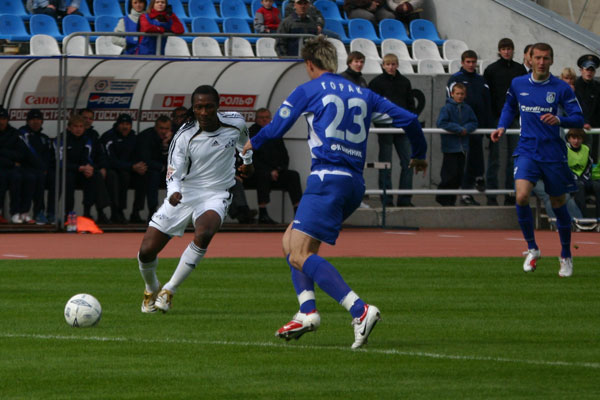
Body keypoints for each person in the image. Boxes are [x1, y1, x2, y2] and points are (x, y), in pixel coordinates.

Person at [242, 36, 428, 349]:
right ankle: (307, 312)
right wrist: (419, 154)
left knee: (299, 254)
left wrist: (250, 145)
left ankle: (360, 310)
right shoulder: (364, 93)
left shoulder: (309, 89)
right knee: (290, 242)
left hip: (327, 179)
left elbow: (275, 127)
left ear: (309, 64)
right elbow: (410, 119)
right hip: (353, 183)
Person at [136, 85, 254, 313]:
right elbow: (173, 172)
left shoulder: (235, 122)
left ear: (217, 106)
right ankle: (151, 288)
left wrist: (247, 163)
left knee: (204, 233)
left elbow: (244, 143)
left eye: (209, 106)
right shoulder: (184, 136)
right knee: (146, 251)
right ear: (193, 108)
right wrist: (173, 193)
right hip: (185, 193)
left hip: (217, 192)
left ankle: (169, 290)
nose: (204, 112)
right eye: (199, 107)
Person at [491, 42, 584, 278]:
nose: (542, 62)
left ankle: (565, 255)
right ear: (529, 59)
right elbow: (509, 107)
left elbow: (578, 117)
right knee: (521, 195)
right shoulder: (518, 83)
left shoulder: (561, 88)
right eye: (538, 58)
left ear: (552, 60)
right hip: (527, 149)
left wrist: (560, 120)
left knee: (558, 203)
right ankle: (533, 249)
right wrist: (501, 126)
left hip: (553, 153)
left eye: (546, 58)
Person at [369, 53, 417, 207]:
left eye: (393, 64)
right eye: (388, 64)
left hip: (402, 128)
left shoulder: (405, 82)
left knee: (408, 163)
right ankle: (387, 200)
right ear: (383, 65)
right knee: (386, 165)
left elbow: (410, 105)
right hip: (385, 128)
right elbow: (373, 107)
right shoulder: (376, 83)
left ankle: (405, 200)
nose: (390, 67)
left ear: (397, 65)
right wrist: (380, 125)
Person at [483, 38, 527, 206]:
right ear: (499, 51)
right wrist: (491, 120)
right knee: (494, 158)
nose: (507, 51)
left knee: (514, 158)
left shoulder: (520, 69)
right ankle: (491, 196)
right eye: (504, 49)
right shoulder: (491, 70)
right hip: (497, 119)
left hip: (515, 119)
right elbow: (487, 97)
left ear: (513, 50)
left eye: (509, 48)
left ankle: (510, 194)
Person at [447, 50, 492, 206]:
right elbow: (450, 103)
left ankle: (470, 190)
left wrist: (489, 126)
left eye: (473, 62)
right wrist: (456, 125)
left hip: (477, 127)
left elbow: (487, 104)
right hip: (461, 129)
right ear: (462, 62)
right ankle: (454, 196)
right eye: (468, 62)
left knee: (474, 159)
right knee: (460, 163)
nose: (471, 65)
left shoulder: (481, 80)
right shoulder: (455, 79)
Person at [245, 108, 303, 224]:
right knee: (263, 175)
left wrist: (278, 169)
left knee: (293, 176)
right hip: (257, 173)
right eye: (261, 118)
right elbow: (251, 158)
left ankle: (298, 212)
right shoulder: (251, 134)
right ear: (256, 119)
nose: (264, 120)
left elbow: (284, 156)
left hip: (277, 172)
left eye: (267, 117)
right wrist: (269, 171)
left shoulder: (275, 133)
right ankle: (263, 213)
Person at [435, 83, 478, 207]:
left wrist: (466, 129)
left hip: (462, 148)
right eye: (457, 93)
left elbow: (474, 122)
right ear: (452, 94)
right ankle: (442, 198)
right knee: (449, 174)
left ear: (465, 95)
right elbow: (441, 123)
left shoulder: (467, 109)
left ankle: (451, 200)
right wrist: (458, 129)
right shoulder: (446, 108)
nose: (460, 96)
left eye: (462, 94)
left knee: (459, 175)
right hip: (450, 148)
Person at [60, 114, 109, 221]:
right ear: (69, 127)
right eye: (75, 126)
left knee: (94, 175)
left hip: (82, 170)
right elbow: (60, 162)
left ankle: (90, 212)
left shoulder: (88, 139)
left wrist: (89, 168)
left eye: (81, 126)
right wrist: (79, 167)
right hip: (67, 170)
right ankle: (68, 213)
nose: (78, 129)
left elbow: (89, 157)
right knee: (68, 178)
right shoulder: (62, 139)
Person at [100, 113, 145, 224]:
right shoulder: (109, 137)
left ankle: (136, 212)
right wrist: (131, 166)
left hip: (128, 168)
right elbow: (111, 161)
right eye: (122, 124)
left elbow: (138, 155)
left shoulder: (133, 137)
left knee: (144, 176)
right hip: (112, 169)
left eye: (128, 124)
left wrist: (138, 166)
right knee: (119, 176)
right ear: (117, 124)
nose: (125, 127)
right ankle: (116, 211)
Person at [18, 109, 55, 224]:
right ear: (28, 121)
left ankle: (51, 213)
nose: (36, 122)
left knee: (56, 179)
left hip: (42, 170)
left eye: (38, 119)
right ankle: (34, 212)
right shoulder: (22, 134)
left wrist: (45, 168)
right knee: (35, 178)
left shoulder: (44, 138)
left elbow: (49, 156)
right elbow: (26, 154)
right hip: (26, 169)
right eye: (33, 119)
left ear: (42, 121)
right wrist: (41, 168)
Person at [135, 115, 173, 222]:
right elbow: (145, 159)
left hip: (164, 169)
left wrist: (165, 145)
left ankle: (177, 213)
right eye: (161, 128)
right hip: (148, 169)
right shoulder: (146, 136)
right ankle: (152, 210)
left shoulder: (174, 138)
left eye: (166, 128)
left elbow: (175, 159)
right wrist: (162, 167)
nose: (164, 131)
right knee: (153, 175)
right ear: (156, 127)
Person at [0, 106, 29, 224]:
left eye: (3, 119)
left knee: (17, 178)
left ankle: (15, 213)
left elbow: (20, 154)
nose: (1, 121)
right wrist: (11, 161)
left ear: (7, 120)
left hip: (12, 168)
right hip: (6, 166)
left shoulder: (15, 134)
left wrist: (2, 151)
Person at [566, 128, 600, 219]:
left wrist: (584, 178)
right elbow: (564, 168)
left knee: (597, 186)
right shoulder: (564, 150)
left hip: (584, 179)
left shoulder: (586, 149)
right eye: (573, 138)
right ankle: (583, 219)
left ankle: (598, 219)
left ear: (582, 139)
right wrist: (576, 178)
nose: (576, 141)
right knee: (579, 186)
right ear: (569, 139)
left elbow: (589, 166)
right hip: (570, 181)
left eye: (579, 138)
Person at [574, 54, 600, 161]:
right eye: (587, 69)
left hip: (594, 128)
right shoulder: (574, 86)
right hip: (577, 128)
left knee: (593, 157)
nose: (589, 72)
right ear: (581, 70)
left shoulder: (598, 87)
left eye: (592, 70)